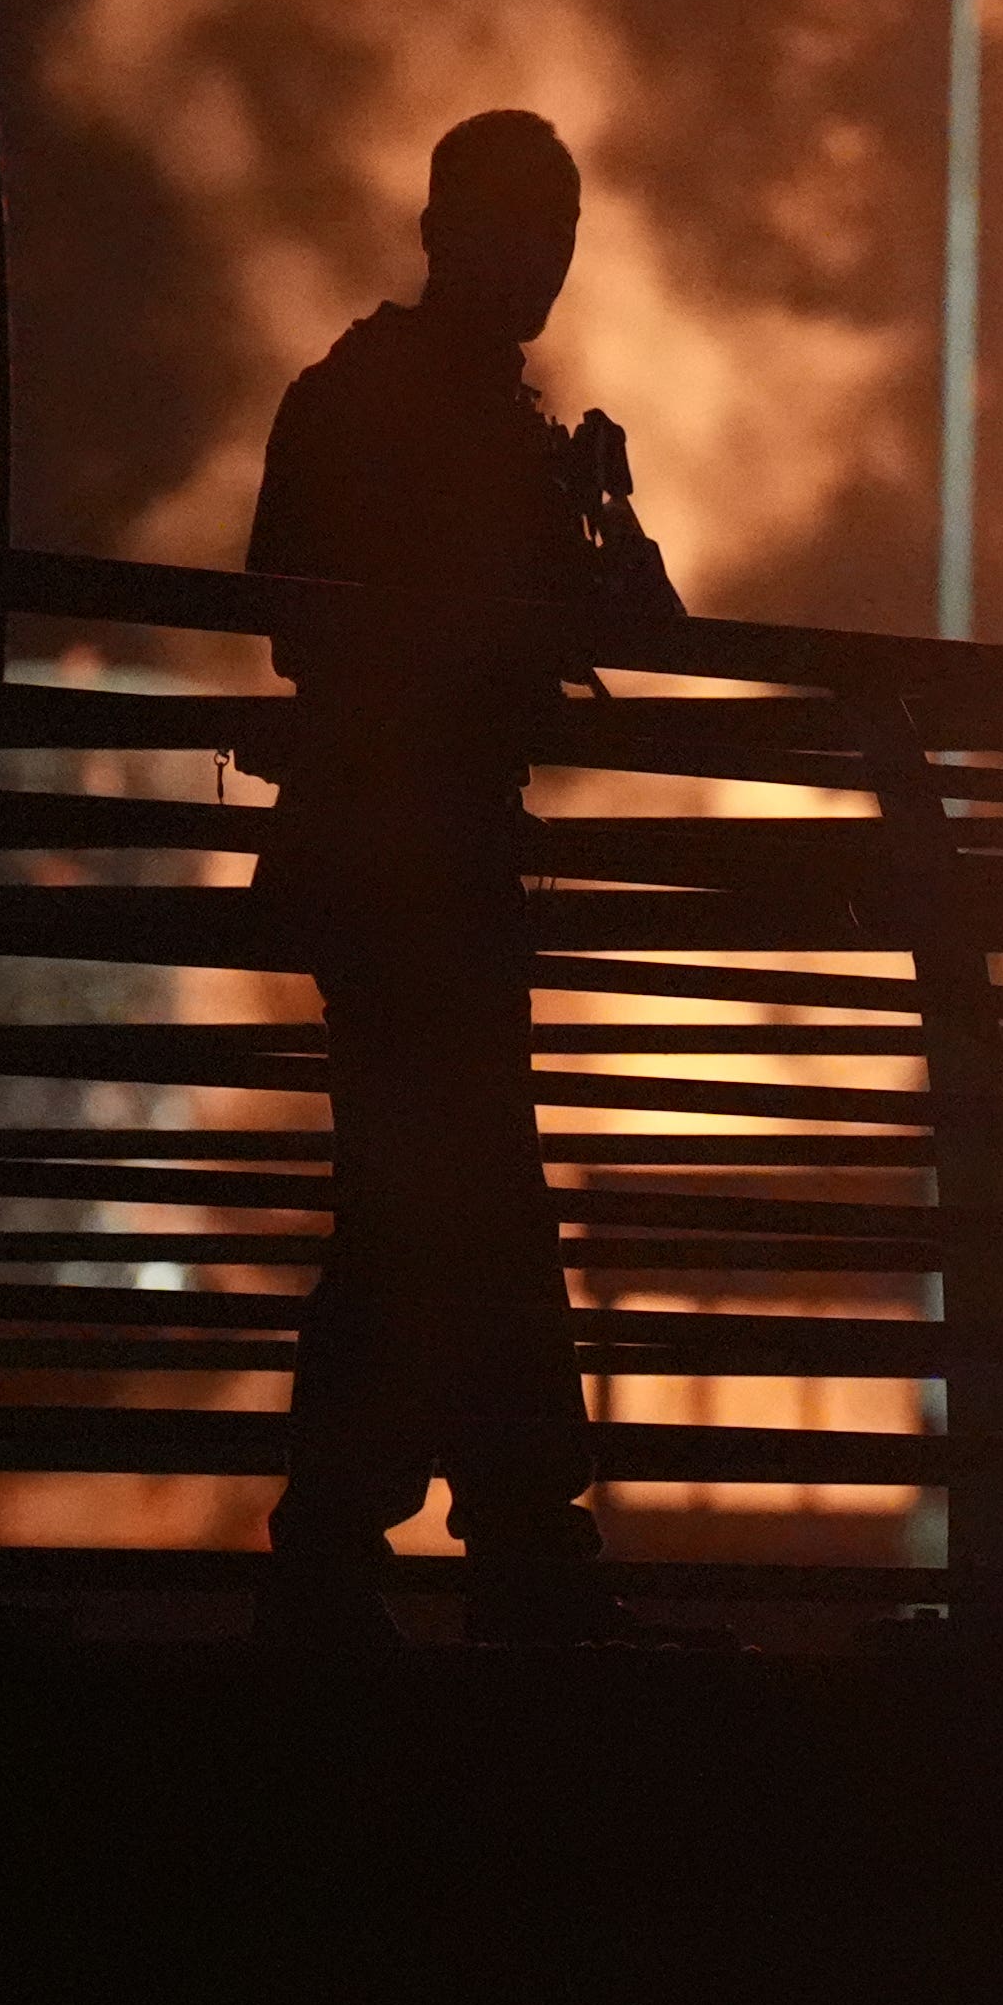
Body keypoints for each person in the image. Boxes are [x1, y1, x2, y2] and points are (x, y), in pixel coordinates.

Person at [243, 107, 680, 1644]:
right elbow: (638, 638)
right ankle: (501, 1531)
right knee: (464, 1178)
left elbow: (286, 603)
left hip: (371, 859)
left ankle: (373, 1532)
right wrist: (583, 523)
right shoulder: (476, 426)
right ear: (456, 235)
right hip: (428, 860)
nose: (547, 272)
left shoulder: (355, 396)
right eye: (532, 238)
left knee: (419, 1184)